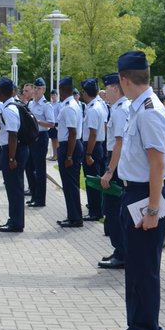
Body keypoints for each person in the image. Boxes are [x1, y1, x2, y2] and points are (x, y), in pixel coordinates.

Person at [106, 51, 165, 330]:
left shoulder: (148, 111)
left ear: (122, 79)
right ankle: (136, 325)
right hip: (134, 192)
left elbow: (157, 164)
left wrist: (153, 210)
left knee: (145, 270)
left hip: (147, 195)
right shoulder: (138, 107)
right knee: (135, 268)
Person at [100, 74, 130, 269]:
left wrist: (110, 171)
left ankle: (122, 253)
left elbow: (119, 143)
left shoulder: (120, 110)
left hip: (116, 162)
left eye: (108, 88)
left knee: (112, 210)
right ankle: (120, 250)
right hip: (117, 160)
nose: (105, 92)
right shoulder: (119, 108)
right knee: (113, 210)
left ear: (116, 88)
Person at [0, 78, 27, 233]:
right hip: (12, 150)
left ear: (1, 93)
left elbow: (13, 135)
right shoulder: (11, 106)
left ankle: (16, 222)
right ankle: (14, 219)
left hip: (12, 150)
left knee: (14, 188)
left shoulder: (9, 109)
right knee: (13, 187)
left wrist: (11, 158)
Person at [55, 77, 84, 226]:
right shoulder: (70, 105)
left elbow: (72, 133)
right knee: (68, 184)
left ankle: (75, 218)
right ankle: (72, 215)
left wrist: (69, 156)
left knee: (70, 184)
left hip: (69, 147)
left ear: (62, 90)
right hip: (68, 145)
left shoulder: (69, 107)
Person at [81, 78, 108, 222]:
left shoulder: (92, 109)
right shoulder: (99, 106)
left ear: (86, 93)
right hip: (98, 146)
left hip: (92, 146)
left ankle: (95, 211)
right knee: (96, 178)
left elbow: (92, 133)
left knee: (92, 181)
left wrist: (88, 153)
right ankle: (99, 208)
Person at [25, 78, 52, 207]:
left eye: (39, 88)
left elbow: (51, 123)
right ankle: (34, 195)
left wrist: (37, 121)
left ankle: (40, 199)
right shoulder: (31, 104)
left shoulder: (46, 105)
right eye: (35, 88)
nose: (36, 91)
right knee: (29, 167)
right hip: (31, 137)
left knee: (40, 170)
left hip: (41, 136)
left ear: (44, 90)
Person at [47, 89, 60, 161]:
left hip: (57, 123)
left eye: (54, 95)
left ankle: (57, 155)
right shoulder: (50, 104)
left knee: (56, 140)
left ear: (57, 96)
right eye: (52, 95)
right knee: (52, 140)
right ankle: (54, 154)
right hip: (51, 123)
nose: (53, 96)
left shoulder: (59, 104)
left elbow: (59, 114)